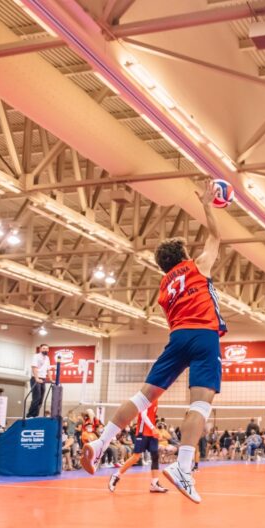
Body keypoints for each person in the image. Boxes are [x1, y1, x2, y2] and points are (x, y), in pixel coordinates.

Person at [79, 185, 224, 504]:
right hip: (203, 336)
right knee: (200, 404)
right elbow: (215, 237)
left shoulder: (164, 286)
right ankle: (183, 468)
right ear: (184, 256)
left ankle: (102, 443)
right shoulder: (197, 266)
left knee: (143, 396)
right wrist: (207, 206)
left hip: (177, 338)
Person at [108, 401, 168, 493]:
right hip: (142, 432)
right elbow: (143, 415)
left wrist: (155, 430)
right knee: (136, 457)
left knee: (155, 456)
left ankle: (154, 483)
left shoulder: (156, 400)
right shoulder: (147, 398)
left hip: (152, 434)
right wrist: (153, 428)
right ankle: (116, 476)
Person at [26, 343, 53, 418]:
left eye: (47, 348)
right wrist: (37, 378)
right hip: (35, 378)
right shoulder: (36, 356)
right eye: (44, 348)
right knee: (36, 397)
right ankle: (30, 415)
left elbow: (48, 369)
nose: (45, 350)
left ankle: (36, 415)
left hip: (43, 379)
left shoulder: (47, 358)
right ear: (40, 349)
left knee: (41, 399)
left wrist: (51, 379)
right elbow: (34, 367)